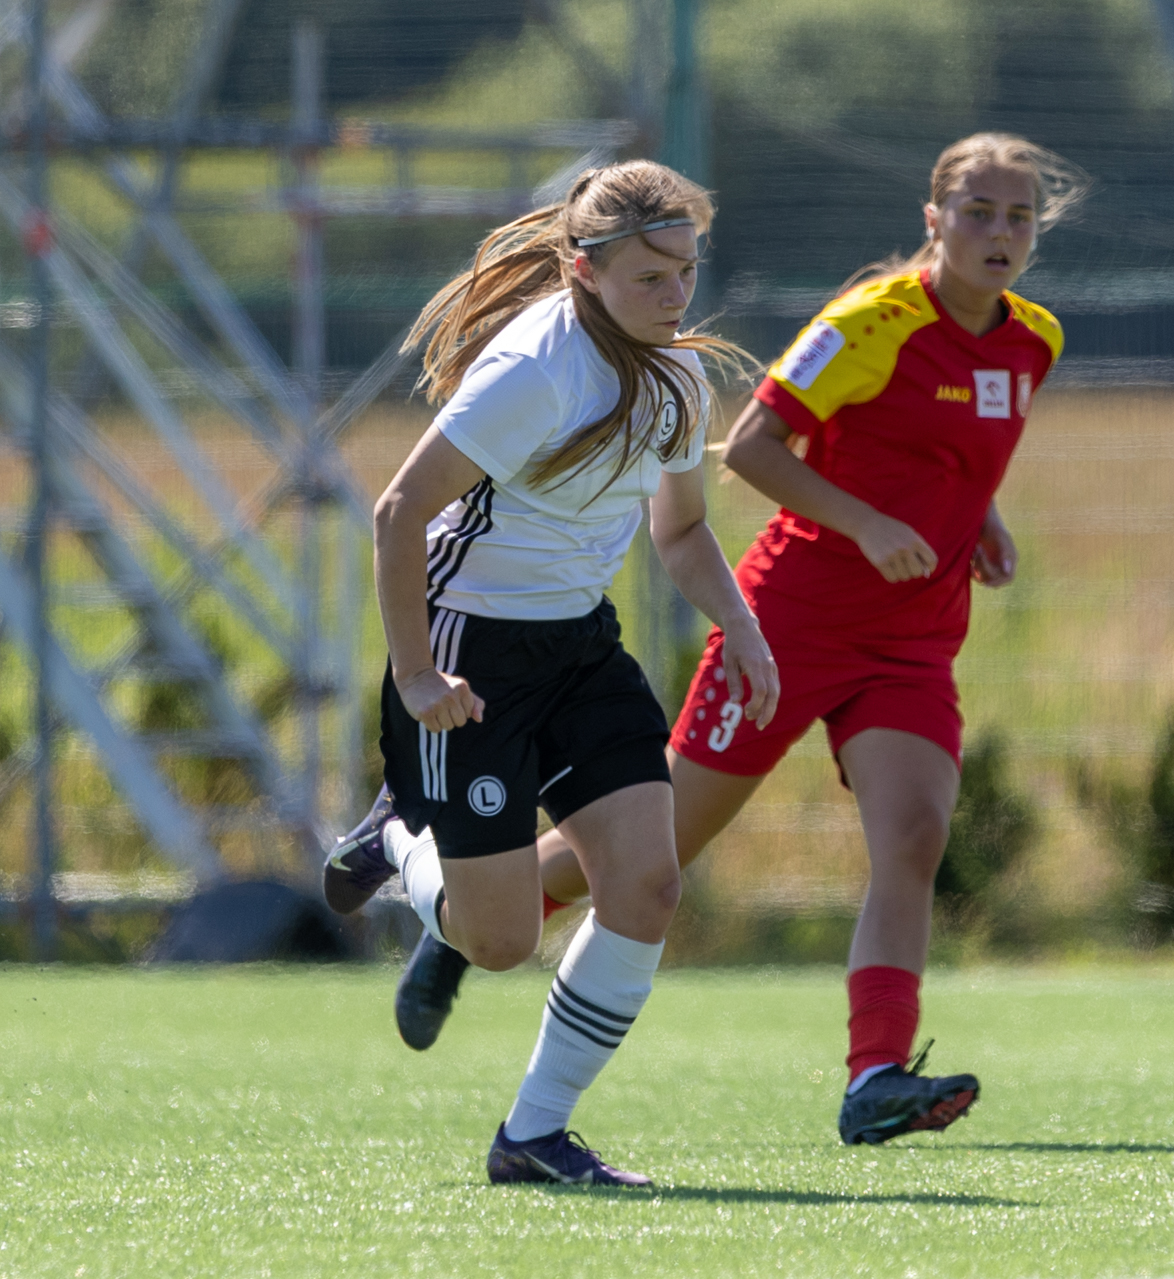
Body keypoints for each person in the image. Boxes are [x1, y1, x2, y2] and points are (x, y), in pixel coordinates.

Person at [394, 132, 1086, 1146]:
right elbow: (752, 447)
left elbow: (948, 453)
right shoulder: (871, 320)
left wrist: (977, 516)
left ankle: (875, 1074)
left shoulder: (1035, 341)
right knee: (651, 852)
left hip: (914, 637)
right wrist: (868, 526)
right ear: (934, 219)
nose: (999, 232)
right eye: (977, 211)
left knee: (914, 836)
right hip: (796, 619)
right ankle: (467, 914)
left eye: (1018, 216)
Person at [320, 159, 778, 1187]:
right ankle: (393, 836)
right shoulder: (536, 368)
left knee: (648, 883)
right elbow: (399, 513)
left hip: (580, 647)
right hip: (470, 651)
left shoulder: (678, 380)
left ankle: (533, 1135)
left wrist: (742, 627)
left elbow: (682, 530)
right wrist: (417, 675)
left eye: (687, 272)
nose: (676, 295)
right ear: (584, 270)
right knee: (497, 939)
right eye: (651, 276)